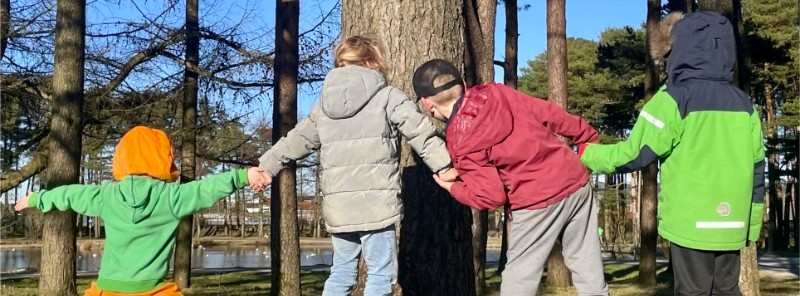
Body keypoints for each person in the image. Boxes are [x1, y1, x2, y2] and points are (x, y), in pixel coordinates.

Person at [577, 11, 765, 295]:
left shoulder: (673, 98)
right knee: (727, 290)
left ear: (675, 50)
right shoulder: (744, 104)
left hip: (691, 222)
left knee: (692, 291)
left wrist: (586, 154)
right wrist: (750, 227)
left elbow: (634, 154)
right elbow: (757, 170)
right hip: (733, 222)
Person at [258, 36, 455, 296]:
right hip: (376, 206)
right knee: (381, 276)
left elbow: (297, 140)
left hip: (339, 208)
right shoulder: (387, 96)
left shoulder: (324, 107)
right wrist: (444, 166)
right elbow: (420, 133)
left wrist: (266, 167)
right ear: (373, 61)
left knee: (341, 274)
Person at [414, 59, 609, 295]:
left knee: (519, 280)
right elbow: (549, 113)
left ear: (427, 104)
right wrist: (585, 137)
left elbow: (492, 196)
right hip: (574, 181)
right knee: (587, 266)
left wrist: (453, 189)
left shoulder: (459, 138)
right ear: (464, 84)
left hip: (535, 201)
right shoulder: (496, 92)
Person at [15, 126, 270, 296]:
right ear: (164, 159)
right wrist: (243, 176)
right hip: (151, 291)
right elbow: (207, 189)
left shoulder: (106, 195)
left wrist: (38, 198)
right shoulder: (172, 197)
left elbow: (70, 194)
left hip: (108, 289)